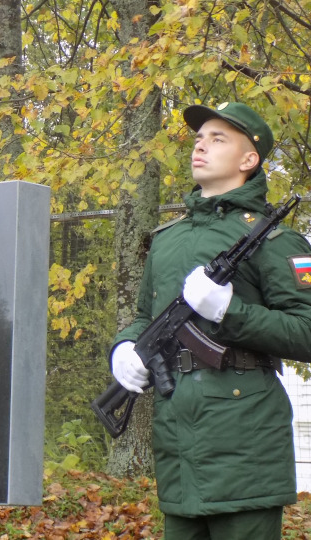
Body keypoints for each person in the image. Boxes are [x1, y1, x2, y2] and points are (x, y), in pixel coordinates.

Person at [109, 102, 311, 539]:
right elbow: (146, 316)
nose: (200, 145)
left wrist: (228, 312)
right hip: (178, 444)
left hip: (246, 447)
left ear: (248, 160)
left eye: (218, 138)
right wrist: (123, 348)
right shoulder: (167, 240)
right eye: (199, 138)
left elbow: (307, 331)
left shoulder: (276, 240)